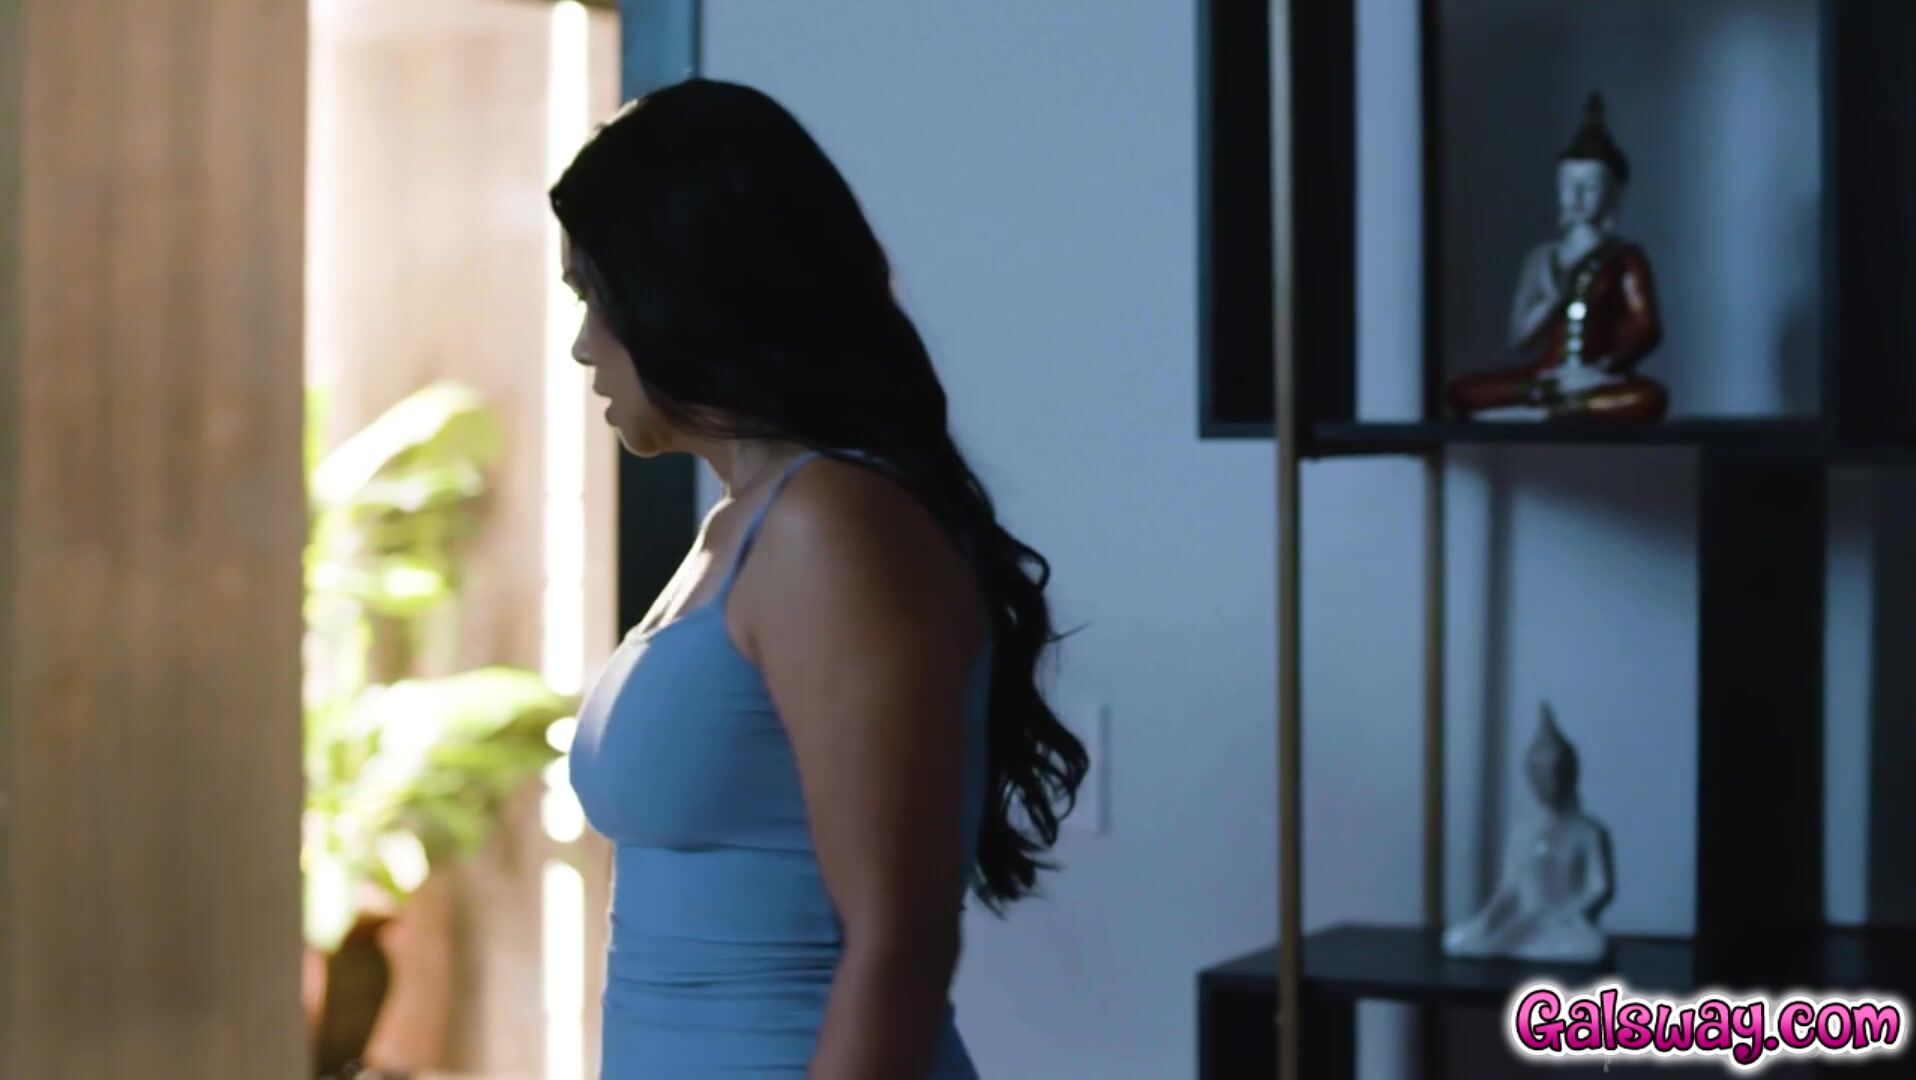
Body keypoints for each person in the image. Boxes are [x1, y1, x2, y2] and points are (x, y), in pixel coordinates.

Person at [549, 78, 1089, 1078]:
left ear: (680, 290)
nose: (583, 346)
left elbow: (898, 945)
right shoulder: (737, 528)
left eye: (594, 297)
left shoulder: (825, 526)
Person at [1444, 92, 1668, 424]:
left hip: (1594, 379)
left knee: (1648, 398)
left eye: (1590, 186)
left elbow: (1646, 329)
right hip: (1545, 375)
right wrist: (1549, 302)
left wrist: (1602, 368)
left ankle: (1544, 412)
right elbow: (1519, 339)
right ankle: (1546, 404)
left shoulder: (1625, 258)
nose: (1576, 196)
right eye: (1568, 185)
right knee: (1461, 391)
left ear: (1614, 192)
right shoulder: (1542, 257)